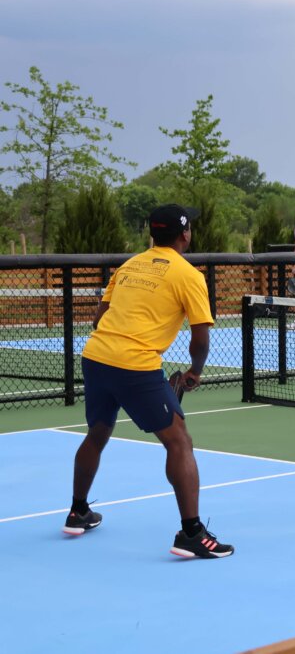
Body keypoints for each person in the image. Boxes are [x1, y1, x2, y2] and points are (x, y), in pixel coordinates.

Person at [64, 204, 234, 558]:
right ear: (185, 234)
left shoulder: (128, 265)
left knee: (97, 434)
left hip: (96, 356)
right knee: (179, 442)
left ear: (151, 235)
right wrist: (196, 371)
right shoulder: (189, 275)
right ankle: (191, 534)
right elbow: (200, 338)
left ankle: (78, 511)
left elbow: (100, 318)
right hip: (135, 365)